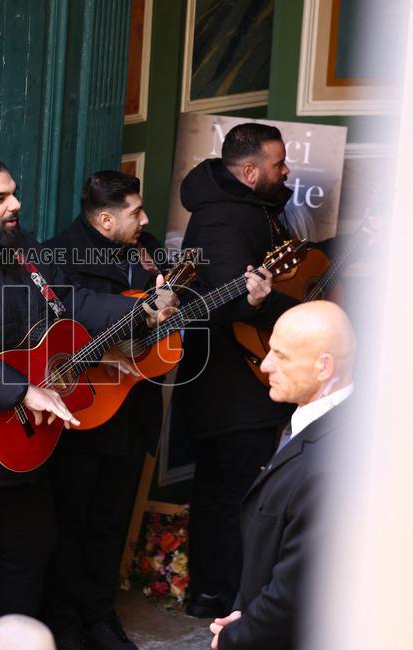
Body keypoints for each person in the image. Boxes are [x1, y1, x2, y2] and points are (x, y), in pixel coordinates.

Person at [0, 155, 176, 649]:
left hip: (23, 443)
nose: (15, 204)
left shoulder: (19, 248)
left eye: (13, 192)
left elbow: (68, 300)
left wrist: (135, 311)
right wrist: (21, 389)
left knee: (29, 552)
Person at [170, 122, 300, 618]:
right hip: (230, 386)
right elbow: (228, 301)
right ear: (249, 172)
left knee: (221, 492)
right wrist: (301, 312)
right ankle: (228, 603)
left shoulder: (254, 208)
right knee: (236, 497)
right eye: (277, 164)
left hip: (235, 384)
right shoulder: (224, 220)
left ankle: (211, 596)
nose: (286, 171)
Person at [39, 170, 166, 650]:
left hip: (132, 410)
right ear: (107, 219)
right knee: (70, 524)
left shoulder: (147, 250)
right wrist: (121, 330)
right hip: (83, 409)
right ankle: (65, 624)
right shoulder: (56, 256)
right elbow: (54, 325)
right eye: (136, 211)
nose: (146, 219)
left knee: (111, 521)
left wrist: (173, 308)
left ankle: (100, 617)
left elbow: (173, 307)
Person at [208, 301, 356, 650]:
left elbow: (297, 593)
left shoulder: (332, 463)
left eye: (282, 356)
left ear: (324, 366)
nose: (266, 364)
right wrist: (245, 611)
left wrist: (235, 638)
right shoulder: (314, 422)